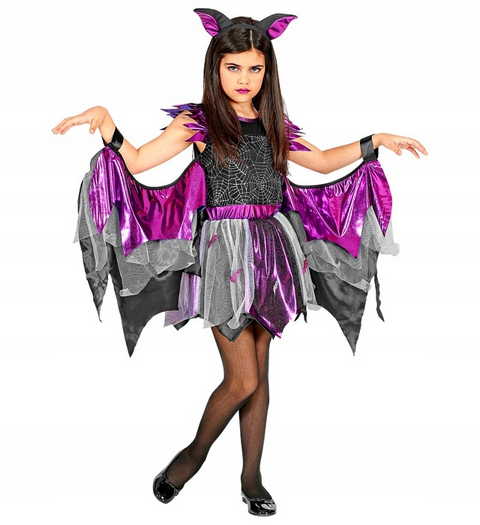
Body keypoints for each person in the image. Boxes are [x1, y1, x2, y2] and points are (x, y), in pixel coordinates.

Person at [51, 7, 428, 517]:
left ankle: (252, 478)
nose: (244, 78)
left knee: (261, 378)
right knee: (242, 378)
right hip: (224, 252)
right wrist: (107, 123)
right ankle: (191, 458)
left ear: (267, 70)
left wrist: (374, 141)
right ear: (216, 67)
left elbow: (319, 162)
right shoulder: (199, 122)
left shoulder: (274, 124)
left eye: (255, 68)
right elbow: (138, 160)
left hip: (272, 249)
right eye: (233, 67)